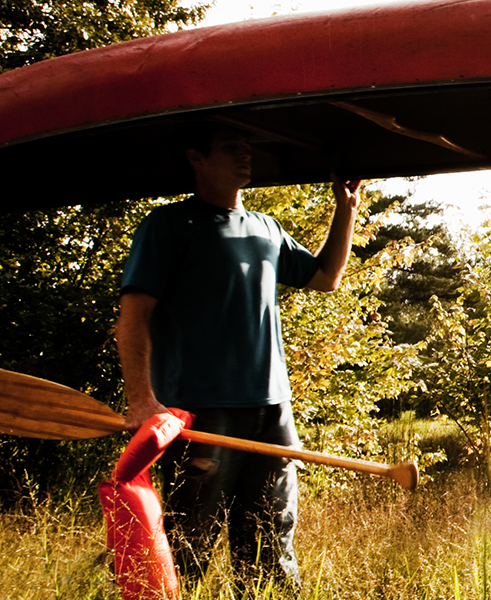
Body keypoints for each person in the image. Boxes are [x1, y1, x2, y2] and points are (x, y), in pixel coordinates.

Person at [115, 122, 361, 591]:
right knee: (192, 542)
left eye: (247, 147)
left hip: (271, 409)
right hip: (201, 411)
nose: (245, 155)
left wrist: (344, 211)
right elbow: (133, 314)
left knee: (272, 540)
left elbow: (325, 277)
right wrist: (141, 401)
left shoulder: (267, 228)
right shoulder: (167, 226)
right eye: (231, 148)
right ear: (196, 157)